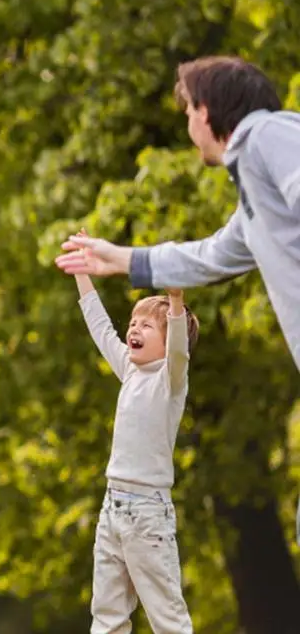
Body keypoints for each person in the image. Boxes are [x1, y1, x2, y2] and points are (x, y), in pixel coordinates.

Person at [54, 55, 300, 543]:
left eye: (188, 110)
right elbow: (210, 256)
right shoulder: (253, 184)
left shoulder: (269, 135)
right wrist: (122, 260)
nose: (187, 122)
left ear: (207, 111)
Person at [70, 228, 199, 633]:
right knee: (106, 615)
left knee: (167, 618)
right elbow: (101, 329)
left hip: (148, 514)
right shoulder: (129, 369)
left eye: (147, 325)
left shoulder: (171, 379)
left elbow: (178, 349)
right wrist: (83, 274)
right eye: (134, 322)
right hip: (112, 508)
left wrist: (175, 302)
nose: (135, 329)